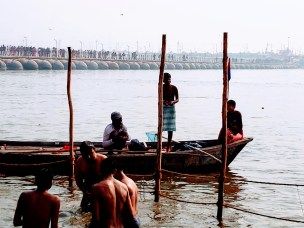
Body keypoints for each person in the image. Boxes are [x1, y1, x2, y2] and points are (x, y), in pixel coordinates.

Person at [90, 158, 138, 228]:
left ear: (101, 169)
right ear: (114, 171)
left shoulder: (96, 188)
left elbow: (95, 219)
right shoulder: (124, 187)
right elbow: (131, 215)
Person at [75, 141, 107, 212]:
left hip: (103, 190)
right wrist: (84, 191)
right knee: (83, 211)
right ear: (82, 154)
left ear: (94, 150)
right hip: (87, 190)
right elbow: (78, 179)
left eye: (90, 153)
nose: (88, 156)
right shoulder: (80, 161)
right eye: (85, 154)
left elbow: (111, 179)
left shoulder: (103, 160)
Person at [163, 72, 179, 152]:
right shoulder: (161, 87)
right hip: (163, 108)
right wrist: (163, 101)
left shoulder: (174, 88)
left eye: (169, 79)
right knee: (161, 126)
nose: (168, 81)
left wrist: (173, 102)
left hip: (171, 109)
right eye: (166, 79)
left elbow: (177, 99)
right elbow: (160, 98)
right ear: (163, 80)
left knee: (170, 128)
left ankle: (168, 146)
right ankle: (161, 144)